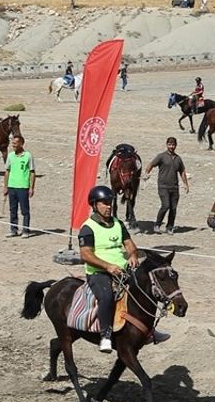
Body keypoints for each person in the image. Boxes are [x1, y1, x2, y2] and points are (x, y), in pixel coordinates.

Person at [78, 186, 170, 353]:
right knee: (106, 296)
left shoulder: (118, 224)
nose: (108, 206)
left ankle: (149, 330)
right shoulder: (88, 228)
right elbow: (85, 255)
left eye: (110, 203)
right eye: (104, 203)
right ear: (94, 205)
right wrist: (108, 266)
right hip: (99, 272)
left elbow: (129, 244)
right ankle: (105, 335)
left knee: (146, 288)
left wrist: (133, 255)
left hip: (122, 269)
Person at [143, 137, 190, 234]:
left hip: (174, 187)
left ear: (175, 146)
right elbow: (151, 164)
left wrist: (186, 184)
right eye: (170, 144)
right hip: (163, 186)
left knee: (173, 208)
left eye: (173, 145)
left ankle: (169, 227)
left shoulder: (178, 159)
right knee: (166, 205)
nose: (171, 146)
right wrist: (147, 173)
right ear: (167, 145)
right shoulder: (161, 156)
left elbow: (182, 172)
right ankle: (157, 224)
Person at [2, 134, 35, 237]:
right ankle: (13, 229)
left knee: (25, 210)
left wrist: (31, 187)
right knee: (13, 209)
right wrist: (5, 186)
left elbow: (32, 172)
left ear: (21, 144)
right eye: (13, 143)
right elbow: (7, 171)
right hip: (12, 186)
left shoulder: (28, 156)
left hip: (23, 187)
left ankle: (25, 230)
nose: (13, 145)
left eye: (15, 143)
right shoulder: (11, 156)